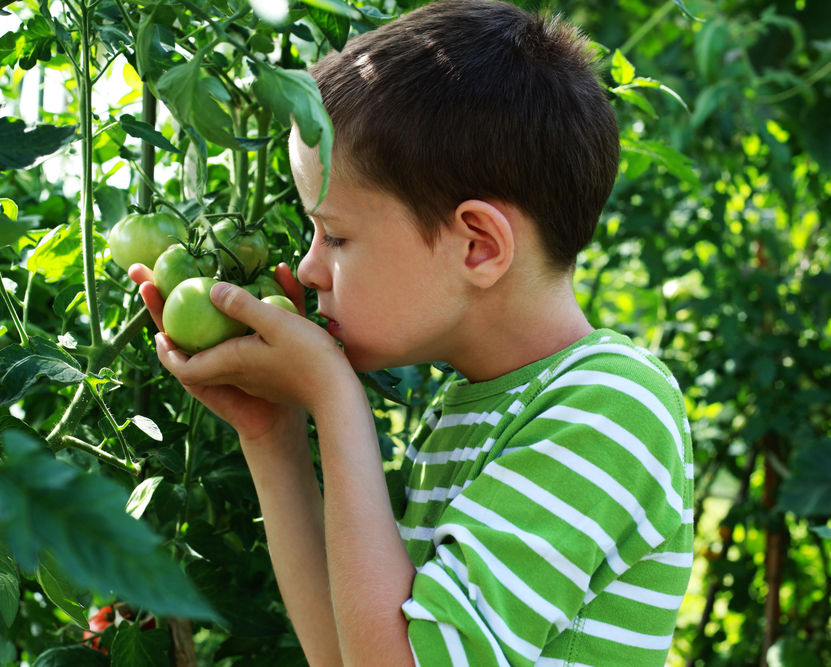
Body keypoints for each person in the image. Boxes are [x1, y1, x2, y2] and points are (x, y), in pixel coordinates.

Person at [129, 1, 694, 665]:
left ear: (478, 245)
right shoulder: (470, 412)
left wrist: (335, 397)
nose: (308, 269)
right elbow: (344, 654)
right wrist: (272, 432)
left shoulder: (611, 409)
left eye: (336, 235)